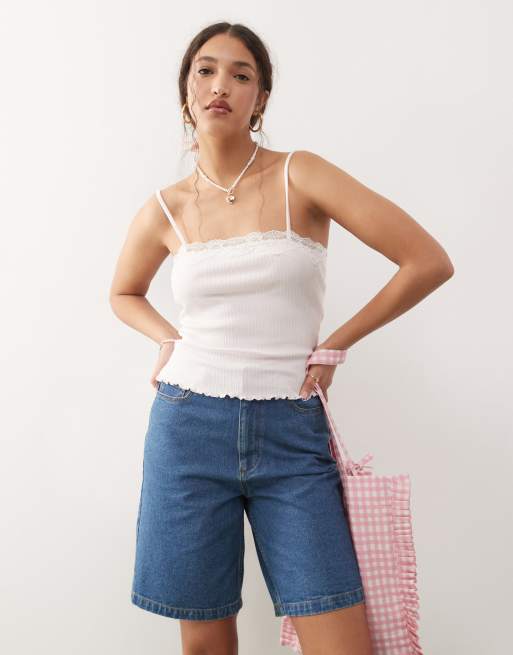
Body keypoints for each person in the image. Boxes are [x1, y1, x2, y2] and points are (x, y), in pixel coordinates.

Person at [109, 21, 454, 655]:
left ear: (260, 98)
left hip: (292, 433)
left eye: (240, 75)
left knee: (341, 644)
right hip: (188, 428)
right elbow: (123, 293)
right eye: (206, 71)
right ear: (185, 91)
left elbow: (427, 261)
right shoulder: (164, 208)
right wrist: (167, 339)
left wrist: (335, 345)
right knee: (206, 644)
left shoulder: (302, 175)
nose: (221, 85)